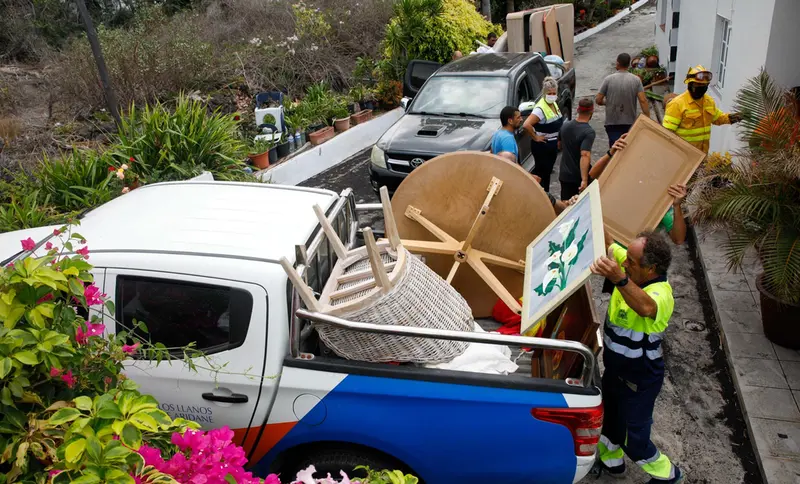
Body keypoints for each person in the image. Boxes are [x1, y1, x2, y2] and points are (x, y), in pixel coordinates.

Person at [590, 231, 684, 484]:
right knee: (609, 421)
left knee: (634, 438)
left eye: (630, 262)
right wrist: (585, 201)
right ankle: (612, 462)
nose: (624, 263)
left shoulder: (661, 293)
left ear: (650, 268)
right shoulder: (632, 263)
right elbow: (609, 243)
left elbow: (645, 307)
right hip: (615, 372)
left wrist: (618, 278)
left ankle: (668, 476)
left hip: (638, 380)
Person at [662, 65, 741, 153]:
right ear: (690, 84)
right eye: (698, 84)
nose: (702, 87)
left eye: (704, 85)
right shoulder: (677, 104)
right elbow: (667, 133)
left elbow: (718, 118)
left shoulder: (709, 101)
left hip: (702, 154)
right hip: (683, 155)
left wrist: (734, 118)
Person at [596, 53, 651, 147]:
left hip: (612, 122)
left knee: (614, 150)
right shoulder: (636, 80)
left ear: (617, 63)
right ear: (629, 64)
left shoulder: (608, 79)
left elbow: (598, 100)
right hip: (630, 122)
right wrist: (647, 118)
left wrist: (607, 102)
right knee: (629, 148)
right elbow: (643, 100)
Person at [522, 76, 564, 191]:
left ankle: (545, 194)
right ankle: (541, 196)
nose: (552, 95)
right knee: (542, 175)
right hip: (543, 147)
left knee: (547, 173)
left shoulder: (553, 104)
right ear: (544, 93)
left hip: (552, 145)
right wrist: (535, 137)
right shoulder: (540, 109)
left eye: (554, 93)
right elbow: (526, 125)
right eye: (549, 93)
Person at [558, 97, 595, 200]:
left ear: (578, 110)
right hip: (577, 176)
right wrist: (584, 179)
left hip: (564, 174)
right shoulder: (588, 131)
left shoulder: (565, 125)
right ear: (592, 111)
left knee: (565, 206)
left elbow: (559, 145)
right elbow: (585, 155)